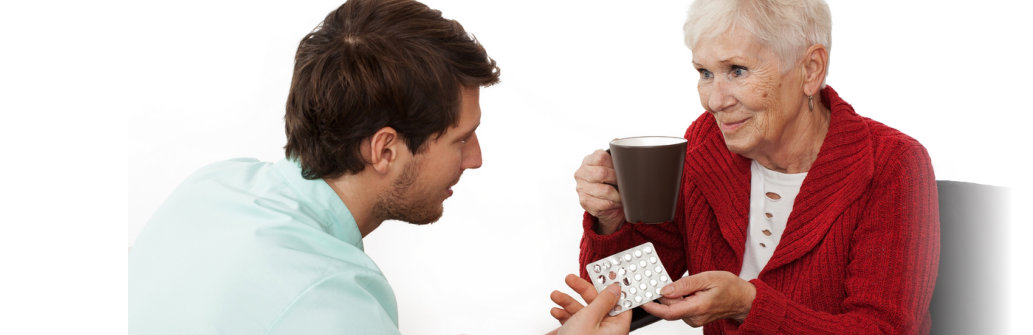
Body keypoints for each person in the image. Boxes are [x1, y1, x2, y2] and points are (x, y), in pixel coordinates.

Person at [554, 0, 942, 333]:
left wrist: (750, 306)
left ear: (810, 70)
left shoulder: (894, 164)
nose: (714, 101)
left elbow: (884, 329)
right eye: (705, 73)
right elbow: (627, 298)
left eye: (737, 70)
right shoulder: (707, 142)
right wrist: (612, 220)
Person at [128, 0, 503, 333]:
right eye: (462, 139)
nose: (476, 159)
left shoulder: (212, 186)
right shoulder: (334, 302)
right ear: (385, 149)